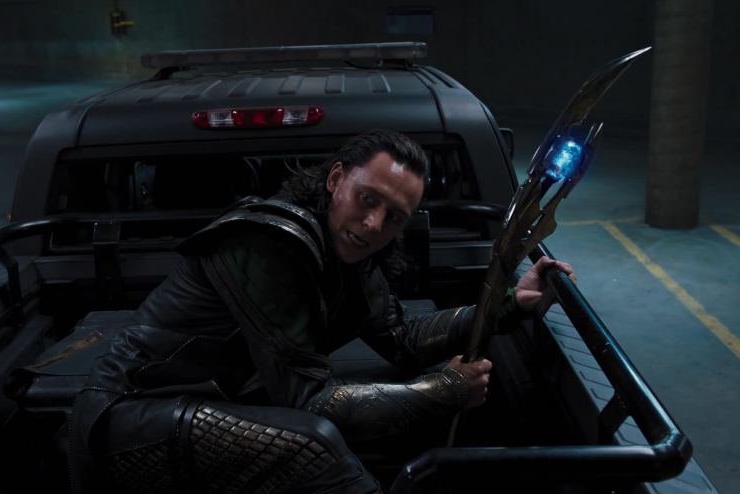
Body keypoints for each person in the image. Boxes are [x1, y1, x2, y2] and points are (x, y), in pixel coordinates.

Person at [69, 130, 575, 493]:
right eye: (366, 198)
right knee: (315, 443)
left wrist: (512, 303)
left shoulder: (351, 255)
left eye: (393, 217)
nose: (373, 223)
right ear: (336, 179)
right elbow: (309, 402)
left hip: (212, 401)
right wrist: (443, 390)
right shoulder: (267, 242)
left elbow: (402, 339)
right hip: (127, 417)